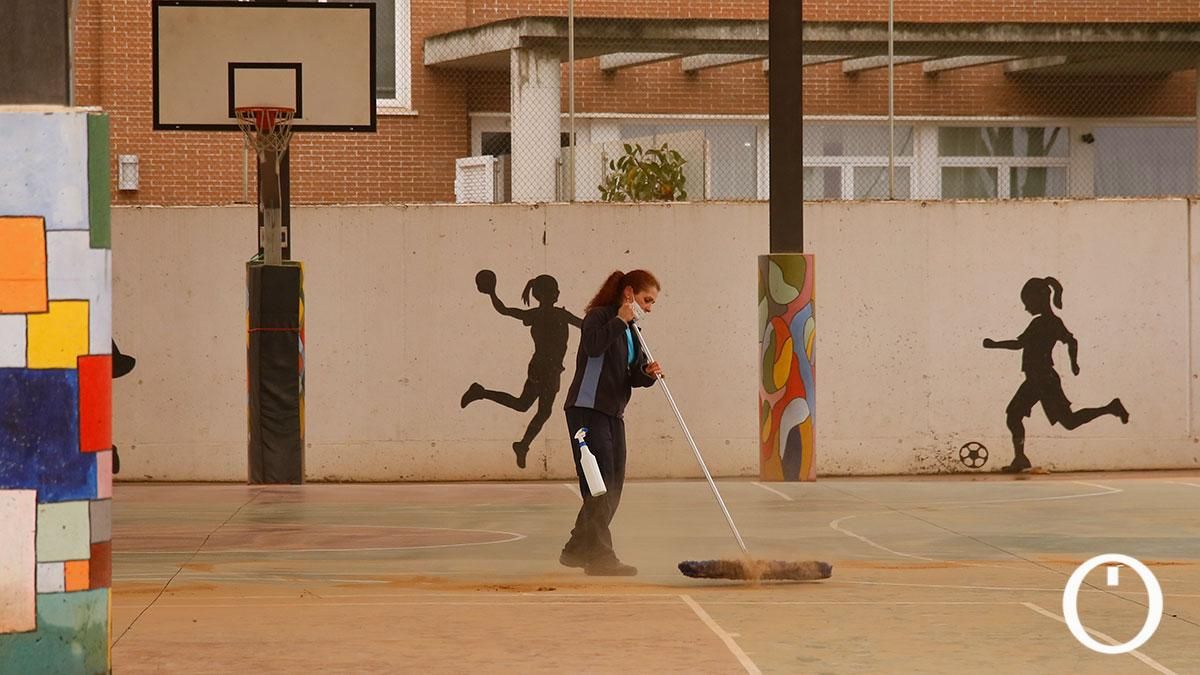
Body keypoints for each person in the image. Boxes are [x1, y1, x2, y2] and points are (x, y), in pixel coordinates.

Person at [558, 269, 663, 576]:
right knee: (599, 486)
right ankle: (601, 557)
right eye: (647, 300)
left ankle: (577, 549)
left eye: (653, 303)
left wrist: (647, 374)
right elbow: (593, 347)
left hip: (613, 414)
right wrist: (620, 320)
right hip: (587, 411)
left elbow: (631, 375)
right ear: (629, 293)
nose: (649, 308)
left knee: (613, 487)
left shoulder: (632, 331)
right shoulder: (599, 317)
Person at [983, 277, 1128, 473]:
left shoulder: (1043, 323)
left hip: (1043, 379)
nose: (1026, 308)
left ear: (1039, 299)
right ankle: (1020, 458)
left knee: (1067, 421)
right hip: (1037, 379)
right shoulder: (1052, 322)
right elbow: (1071, 341)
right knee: (1016, 415)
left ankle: (1111, 407)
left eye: (1028, 303)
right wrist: (1073, 362)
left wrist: (993, 344)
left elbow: (1019, 344)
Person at [461, 273, 582, 468]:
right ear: (551, 294)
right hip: (547, 369)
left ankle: (482, 393)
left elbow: (505, 310)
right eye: (555, 290)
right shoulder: (559, 314)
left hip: (545, 367)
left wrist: (492, 293)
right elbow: (585, 325)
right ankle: (522, 445)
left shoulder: (535, 315)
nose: (558, 293)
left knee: (524, 405)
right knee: (540, 411)